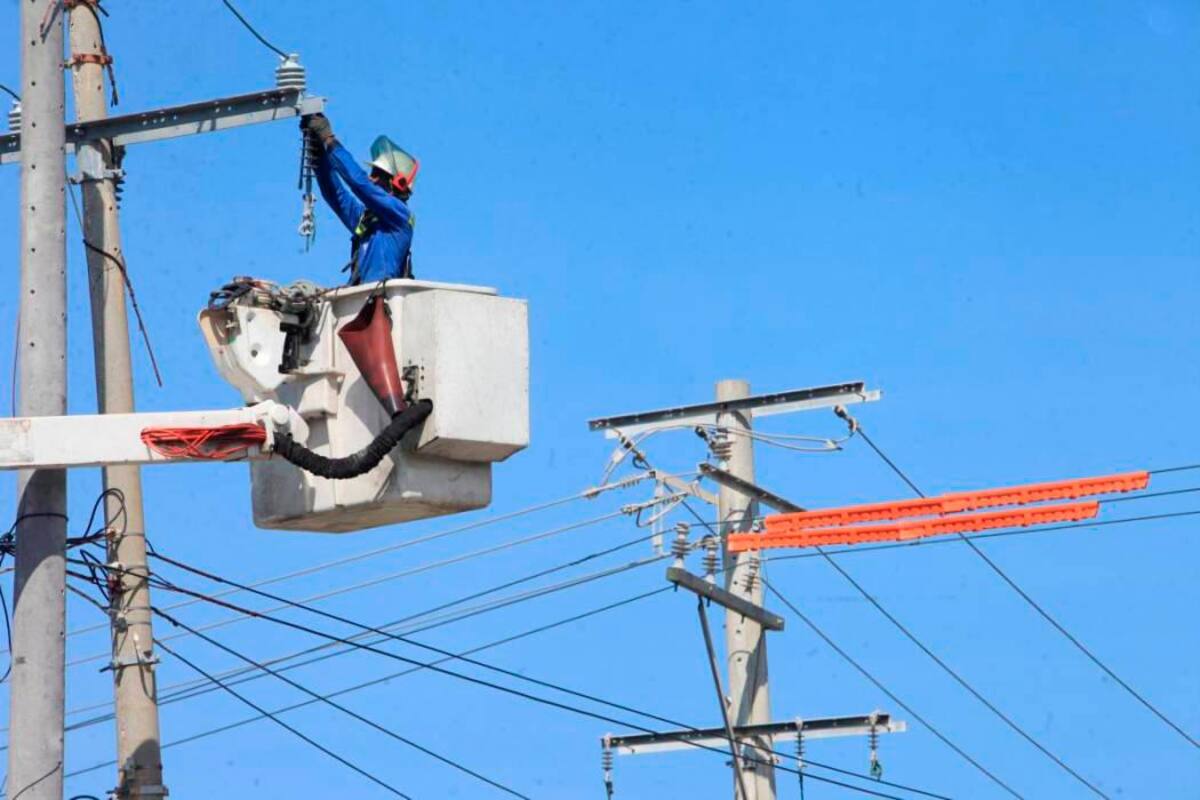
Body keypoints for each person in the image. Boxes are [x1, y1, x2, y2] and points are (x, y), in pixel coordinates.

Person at [301, 113, 418, 285]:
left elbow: (360, 184)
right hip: (361, 298)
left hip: (380, 301)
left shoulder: (400, 216)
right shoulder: (367, 220)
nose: (372, 178)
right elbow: (336, 194)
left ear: (396, 184)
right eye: (372, 173)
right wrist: (318, 153)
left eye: (377, 174)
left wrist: (329, 139)